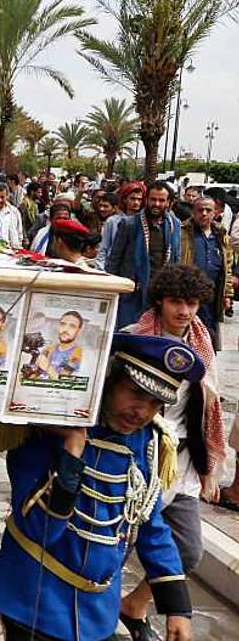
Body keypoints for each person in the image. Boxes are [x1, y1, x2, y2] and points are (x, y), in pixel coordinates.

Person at [0, 333, 197, 641]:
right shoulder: (44, 430)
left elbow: (148, 520)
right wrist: (72, 449)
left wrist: (177, 607)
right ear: (108, 382)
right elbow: (42, 529)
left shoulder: (147, 440)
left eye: (154, 403)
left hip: (98, 609)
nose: (142, 412)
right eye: (134, 393)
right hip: (35, 598)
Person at [117, 265, 225, 639]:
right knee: (120, 541)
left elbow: (210, 406)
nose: (183, 311)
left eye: (191, 303)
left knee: (189, 548)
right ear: (161, 300)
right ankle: (96, 609)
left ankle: (136, 602)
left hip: (183, 461)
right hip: (139, 456)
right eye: (176, 302)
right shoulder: (134, 339)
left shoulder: (203, 344)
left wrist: (208, 464)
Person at [107, 181, 181, 327]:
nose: (157, 204)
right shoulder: (130, 224)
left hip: (161, 291)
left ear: (169, 203)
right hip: (133, 292)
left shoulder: (175, 225)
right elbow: (114, 260)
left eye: (161, 200)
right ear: (146, 200)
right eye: (153, 199)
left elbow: (176, 258)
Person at [178, 195, 232, 348]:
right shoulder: (183, 233)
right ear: (193, 212)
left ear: (215, 213)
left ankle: (208, 363)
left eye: (208, 210)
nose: (204, 213)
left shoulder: (221, 235)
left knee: (209, 333)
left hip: (212, 295)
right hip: (188, 292)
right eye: (200, 210)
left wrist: (227, 294)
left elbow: (227, 267)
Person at [0, 182, 24, 248]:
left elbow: (19, 233)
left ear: (7, 196)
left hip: (11, 252)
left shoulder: (14, 212)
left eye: (2, 197)